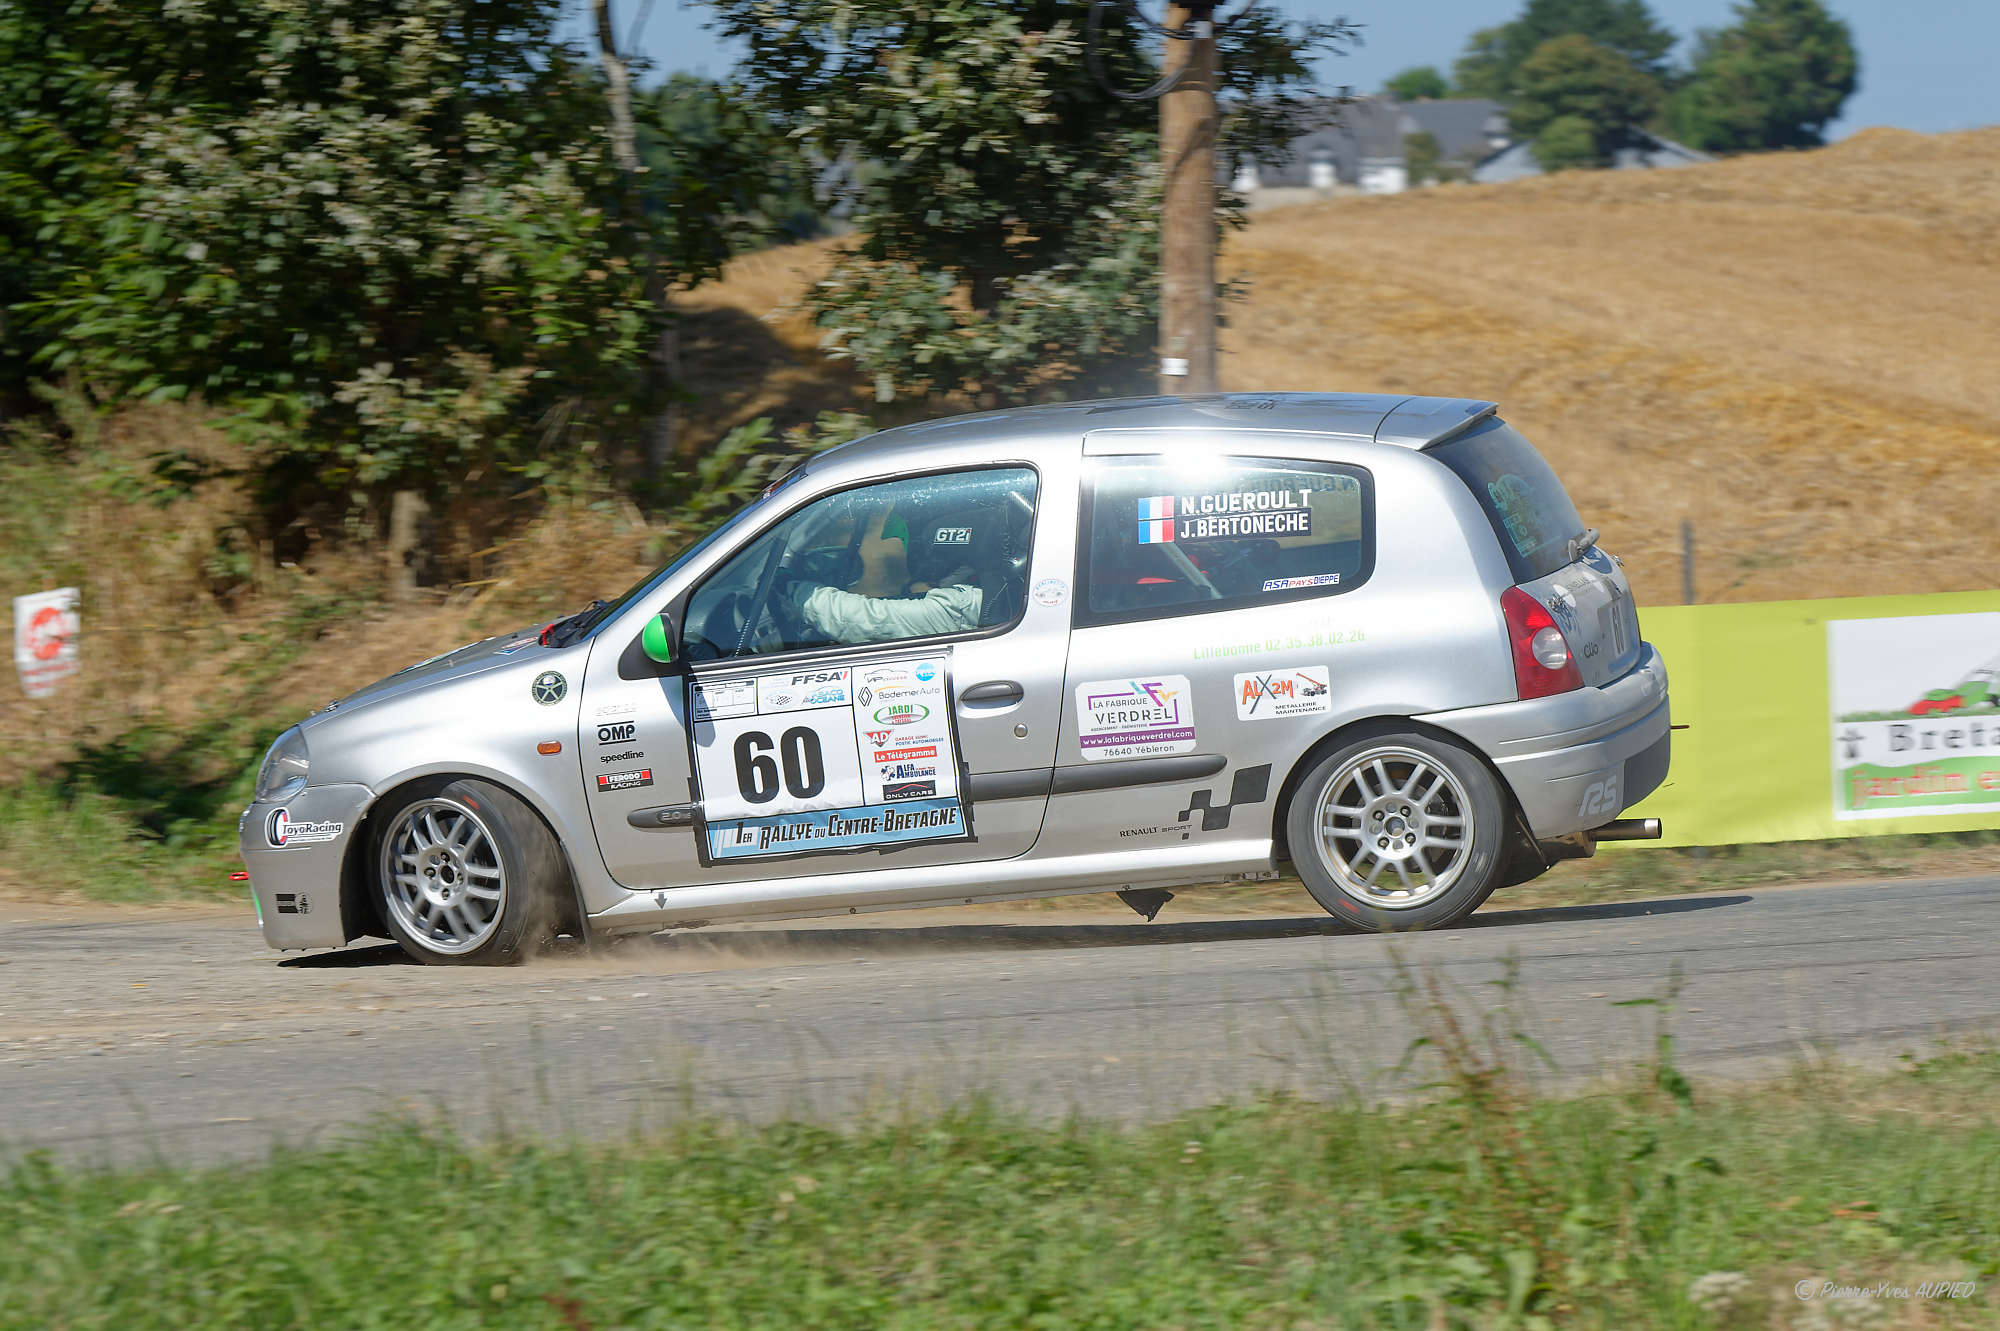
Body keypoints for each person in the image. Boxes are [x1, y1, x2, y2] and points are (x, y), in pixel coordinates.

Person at [782, 508, 985, 645]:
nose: (912, 556)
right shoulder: (985, 588)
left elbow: (870, 621)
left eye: (917, 549)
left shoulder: (965, 605)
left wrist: (794, 591)